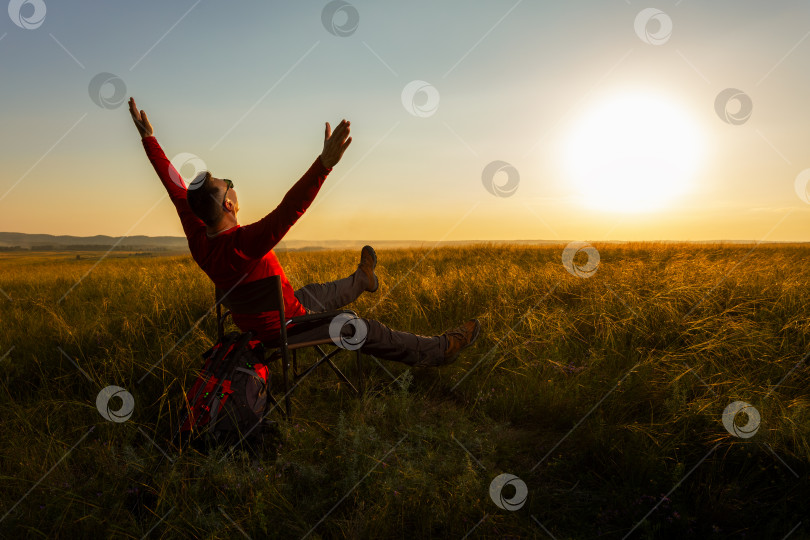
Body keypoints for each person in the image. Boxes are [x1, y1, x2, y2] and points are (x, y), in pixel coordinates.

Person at [128, 97, 480, 368]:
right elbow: (288, 210)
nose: (232, 186)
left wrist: (149, 140)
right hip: (288, 327)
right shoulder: (244, 243)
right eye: (227, 184)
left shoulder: (199, 238)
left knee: (316, 292)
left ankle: (363, 279)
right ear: (229, 206)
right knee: (362, 327)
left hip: (273, 318)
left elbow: (173, 187)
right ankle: (440, 350)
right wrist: (324, 165)